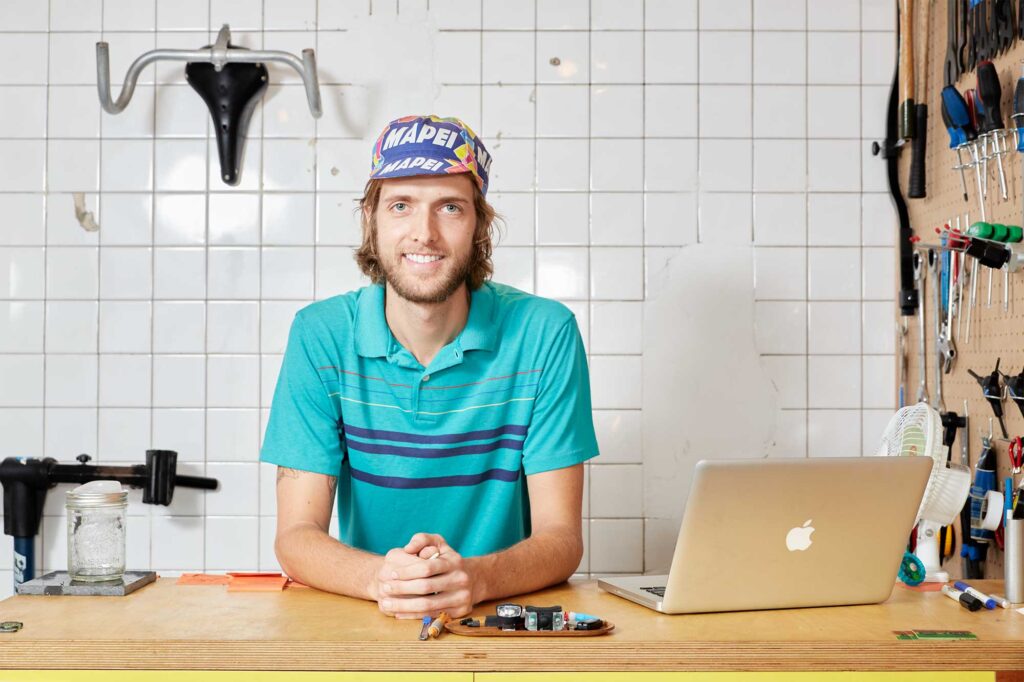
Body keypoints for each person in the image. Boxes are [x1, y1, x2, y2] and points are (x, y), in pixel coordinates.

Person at [260, 115, 599, 619]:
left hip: (498, 622)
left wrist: (477, 579)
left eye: (450, 207)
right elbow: (296, 537)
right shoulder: (321, 335)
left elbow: (562, 538)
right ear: (371, 220)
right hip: (369, 617)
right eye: (401, 206)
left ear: (479, 225)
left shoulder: (545, 333)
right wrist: (383, 580)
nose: (425, 233)